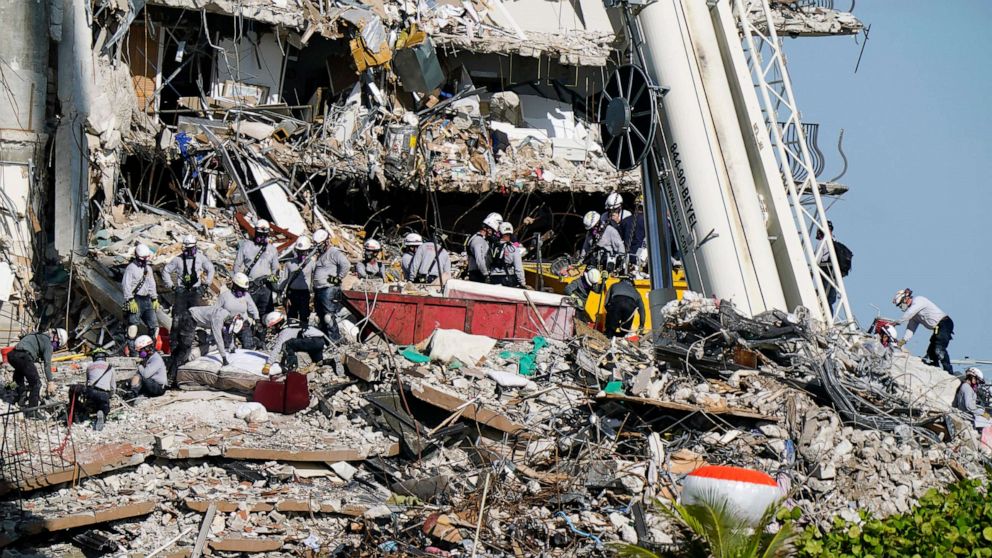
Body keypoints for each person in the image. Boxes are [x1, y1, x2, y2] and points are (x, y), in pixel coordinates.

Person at [892, 289, 954, 373]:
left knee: (939, 349)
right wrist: (902, 341)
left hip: (944, 324)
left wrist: (897, 322)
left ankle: (949, 372)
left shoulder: (918, 300)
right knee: (931, 352)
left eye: (900, 304)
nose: (901, 307)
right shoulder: (914, 315)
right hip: (938, 328)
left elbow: (909, 313)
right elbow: (910, 328)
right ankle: (936, 370)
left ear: (905, 299)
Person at [9, 328, 67, 414]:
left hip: (12, 355)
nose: (56, 346)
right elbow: (47, 364)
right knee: (36, 384)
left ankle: (19, 398)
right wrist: (50, 381)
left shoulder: (37, 334)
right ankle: (32, 412)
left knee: (18, 378)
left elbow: (29, 345)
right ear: (56, 338)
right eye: (57, 344)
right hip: (23, 356)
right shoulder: (48, 343)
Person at [234, 219, 280, 317]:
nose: (262, 237)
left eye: (265, 235)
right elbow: (237, 266)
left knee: (266, 313)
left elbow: (275, 272)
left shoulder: (272, 250)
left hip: (266, 287)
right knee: (249, 313)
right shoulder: (246, 246)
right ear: (255, 232)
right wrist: (240, 283)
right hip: (250, 287)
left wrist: (269, 280)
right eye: (260, 234)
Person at [161, 235, 215, 318]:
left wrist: (206, 284)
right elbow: (166, 271)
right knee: (177, 317)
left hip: (195, 291)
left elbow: (211, 269)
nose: (189, 251)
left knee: (194, 316)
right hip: (181, 291)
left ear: (195, 247)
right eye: (187, 249)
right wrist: (172, 286)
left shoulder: (200, 258)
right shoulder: (178, 259)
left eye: (191, 249)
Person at [261, 311, 329, 375]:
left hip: (313, 341)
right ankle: (321, 361)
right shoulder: (291, 322)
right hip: (319, 340)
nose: (272, 329)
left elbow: (278, 347)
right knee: (300, 342)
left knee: (287, 344)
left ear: (278, 325)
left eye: (272, 327)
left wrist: (268, 364)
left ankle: (292, 368)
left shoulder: (285, 331)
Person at [312, 229, 349, 342]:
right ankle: (325, 339)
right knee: (320, 316)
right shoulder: (321, 255)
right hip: (319, 289)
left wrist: (337, 279)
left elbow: (346, 264)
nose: (318, 247)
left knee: (328, 316)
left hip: (329, 288)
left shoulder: (333, 252)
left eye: (320, 245)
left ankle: (335, 340)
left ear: (327, 241)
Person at [122, 243, 160, 354]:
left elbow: (151, 283)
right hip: (135, 299)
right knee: (133, 327)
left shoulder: (148, 268)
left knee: (154, 326)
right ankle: (133, 352)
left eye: (146, 258)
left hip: (147, 299)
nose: (145, 260)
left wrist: (154, 298)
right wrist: (129, 299)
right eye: (143, 258)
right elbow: (126, 285)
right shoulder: (131, 268)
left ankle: (150, 349)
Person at [815, 221, 853, 313]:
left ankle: (823, 315)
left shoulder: (822, 242)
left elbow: (816, 260)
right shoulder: (836, 242)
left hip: (825, 271)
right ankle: (829, 319)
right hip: (835, 274)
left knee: (823, 297)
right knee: (830, 300)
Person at [72, 348, 113, 431]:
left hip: (91, 392)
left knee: (93, 402)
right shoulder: (110, 367)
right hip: (103, 393)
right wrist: (110, 396)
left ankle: (82, 413)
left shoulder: (89, 366)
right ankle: (102, 413)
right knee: (104, 407)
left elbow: (87, 383)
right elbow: (113, 386)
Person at [282, 236, 316, 325]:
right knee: (292, 315)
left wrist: (314, 292)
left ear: (307, 250)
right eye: (299, 251)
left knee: (304, 315)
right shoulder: (289, 263)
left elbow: (314, 279)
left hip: (304, 294)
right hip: (292, 293)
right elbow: (284, 279)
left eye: (303, 251)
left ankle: (303, 334)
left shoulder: (312, 264)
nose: (301, 253)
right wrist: (281, 294)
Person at [465, 214, 502, 282]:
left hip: (479, 274)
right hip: (478, 276)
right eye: (492, 231)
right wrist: (486, 275)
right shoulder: (479, 240)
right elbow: (480, 260)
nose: (493, 233)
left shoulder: (483, 239)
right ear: (488, 229)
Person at [489, 222, 525, 288]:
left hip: (493, 277)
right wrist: (522, 282)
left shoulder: (492, 245)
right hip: (507, 278)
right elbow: (518, 268)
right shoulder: (513, 248)